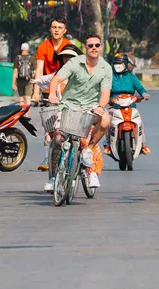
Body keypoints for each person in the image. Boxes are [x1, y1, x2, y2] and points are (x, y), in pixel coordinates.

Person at [45, 34, 112, 191]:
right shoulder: (75, 63)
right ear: (85, 48)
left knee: (105, 120)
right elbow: (56, 80)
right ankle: (54, 177)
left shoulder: (106, 68)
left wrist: (101, 107)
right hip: (69, 106)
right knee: (59, 138)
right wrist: (53, 94)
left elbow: (105, 94)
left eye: (97, 45)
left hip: (91, 107)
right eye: (90, 45)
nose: (94, 48)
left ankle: (88, 149)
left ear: (101, 47)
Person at [33, 44, 83, 173]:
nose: (67, 61)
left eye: (71, 58)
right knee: (56, 138)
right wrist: (35, 85)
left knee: (87, 143)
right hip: (61, 112)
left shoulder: (84, 75)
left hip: (79, 112)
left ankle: (89, 173)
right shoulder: (57, 75)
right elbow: (43, 80)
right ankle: (54, 175)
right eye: (65, 58)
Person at [108, 53, 152, 154]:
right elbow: (105, 90)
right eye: (116, 63)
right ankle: (108, 145)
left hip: (130, 106)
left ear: (126, 64)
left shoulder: (131, 77)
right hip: (115, 107)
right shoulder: (110, 77)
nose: (118, 65)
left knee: (139, 121)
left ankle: (143, 145)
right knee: (108, 121)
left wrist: (144, 94)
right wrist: (108, 99)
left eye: (121, 63)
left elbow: (140, 88)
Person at [35, 18, 72, 91]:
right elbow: (39, 69)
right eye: (54, 27)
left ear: (65, 31)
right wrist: (36, 92)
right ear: (50, 29)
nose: (57, 30)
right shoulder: (42, 46)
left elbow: (70, 70)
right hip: (46, 88)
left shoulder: (69, 46)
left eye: (60, 28)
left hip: (64, 89)